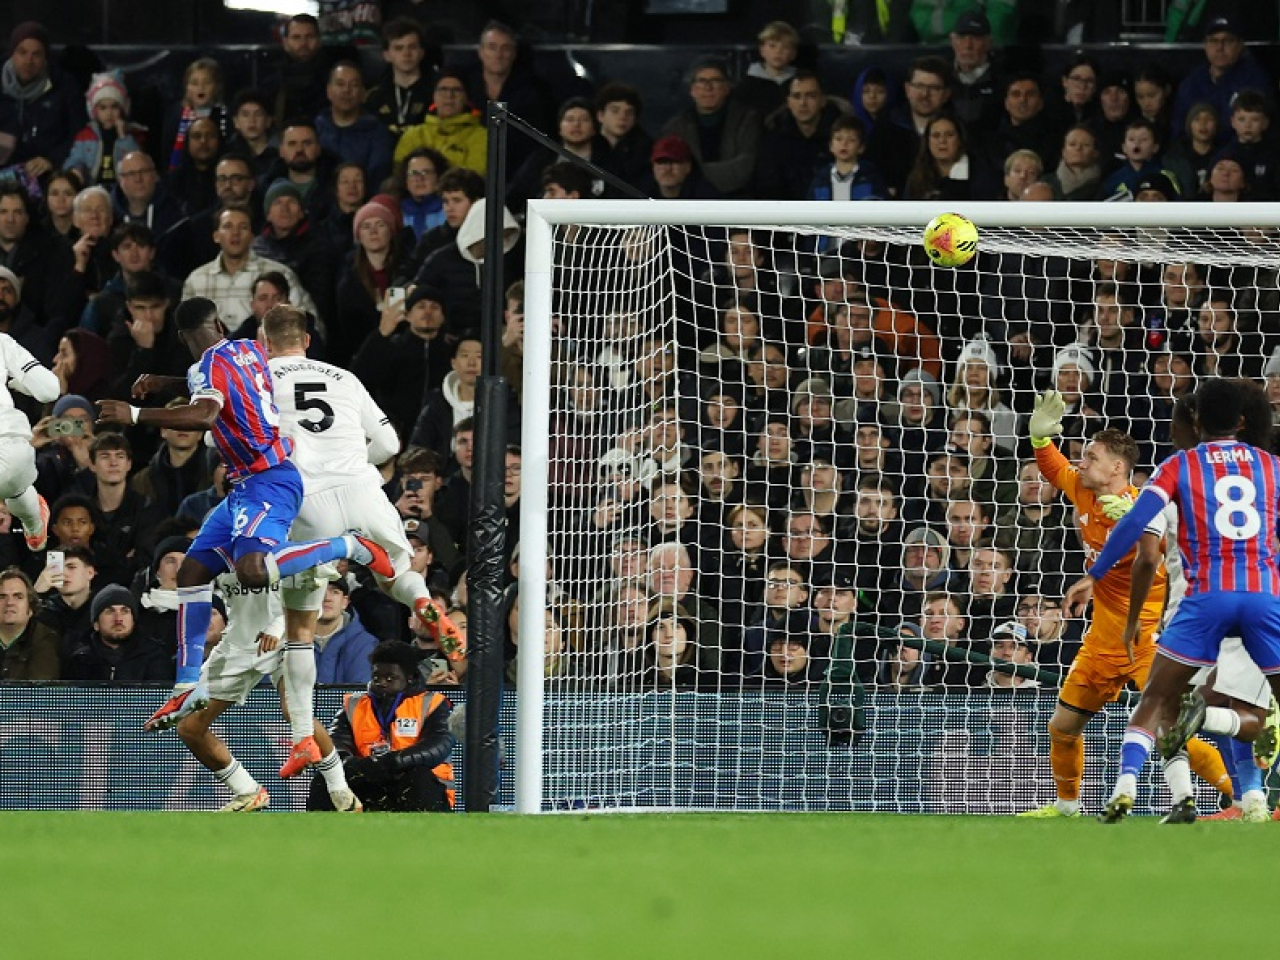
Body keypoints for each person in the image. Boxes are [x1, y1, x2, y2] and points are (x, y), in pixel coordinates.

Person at [94, 297, 394, 765]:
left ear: (179, 338)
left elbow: (205, 416)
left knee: (255, 571)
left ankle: (348, 545)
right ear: (218, 323)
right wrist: (165, 383)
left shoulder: (214, 367)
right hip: (245, 488)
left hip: (271, 480)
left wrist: (135, 414)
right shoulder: (247, 352)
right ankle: (186, 683)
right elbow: (214, 386)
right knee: (192, 572)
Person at [1018, 390, 1229, 818]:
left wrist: (1133, 522)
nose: (1082, 462)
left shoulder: (1147, 504)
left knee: (1173, 731)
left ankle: (1238, 795)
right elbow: (1054, 467)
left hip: (1148, 637)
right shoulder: (1080, 487)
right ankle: (1067, 806)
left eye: (1091, 457)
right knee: (1063, 727)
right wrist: (1040, 440)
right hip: (1101, 640)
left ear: (1118, 467)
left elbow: (1167, 558)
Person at [260, 304, 463, 747]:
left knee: (301, 622)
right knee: (397, 573)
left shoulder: (260, 379)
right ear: (307, 340)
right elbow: (389, 442)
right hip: (363, 488)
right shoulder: (344, 378)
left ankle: (301, 733)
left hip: (307, 497)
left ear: (264, 344)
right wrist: (353, 464)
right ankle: (426, 604)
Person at [174, 563, 361, 812]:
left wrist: (277, 627)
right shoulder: (216, 547)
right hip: (240, 646)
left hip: (285, 640)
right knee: (189, 727)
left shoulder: (284, 540)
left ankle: (342, 793)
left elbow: (309, 602)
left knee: (294, 712)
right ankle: (247, 791)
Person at [311, 640, 455, 812]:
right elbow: (335, 744)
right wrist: (355, 765)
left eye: (390, 678)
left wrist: (394, 761)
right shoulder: (354, 704)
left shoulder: (433, 703)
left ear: (409, 677)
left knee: (420, 778)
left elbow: (439, 744)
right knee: (325, 778)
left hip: (410, 778)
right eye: (376, 677)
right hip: (367, 777)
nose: (381, 683)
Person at [0, 331, 58, 553]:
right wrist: (15, 383)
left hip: (10, 449)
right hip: (17, 454)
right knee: (14, 486)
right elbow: (50, 390)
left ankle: (33, 516)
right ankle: (33, 519)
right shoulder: (2, 342)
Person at [62, 584, 171, 684]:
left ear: (133, 620)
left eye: (125, 611)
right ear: (96, 624)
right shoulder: (80, 661)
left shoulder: (155, 657)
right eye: (109, 611)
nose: (118, 619)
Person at [0, 567, 59, 680]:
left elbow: (38, 692)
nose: (10, 603)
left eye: (18, 597)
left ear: (31, 608)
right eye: (2, 597)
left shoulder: (46, 639)